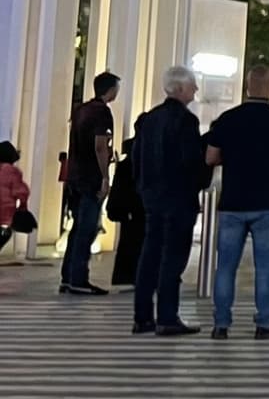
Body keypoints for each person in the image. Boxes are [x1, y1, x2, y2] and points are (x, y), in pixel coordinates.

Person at [204, 65, 269, 340]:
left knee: (225, 265)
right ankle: (264, 322)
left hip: (232, 201)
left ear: (247, 87)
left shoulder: (228, 119)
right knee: (265, 266)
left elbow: (211, 158)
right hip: (268, 202)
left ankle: (221, 324)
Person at [131, 65, 208, 336]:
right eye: (192, 85)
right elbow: (191, 162)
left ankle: (142, 317)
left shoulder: (148, 119)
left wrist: (143, 189)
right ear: (180, 88)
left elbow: (136, 160)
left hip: (153, 197)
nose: (196, 90)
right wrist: (201, 181)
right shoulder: (186, 121)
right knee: (173, 259)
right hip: (178, 198)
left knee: (150, 255)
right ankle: (167, 316)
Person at [61, 71, 120, 296]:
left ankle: (68, 277)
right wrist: (105, 177)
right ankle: (79, 278)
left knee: (77, 229)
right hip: (90, 177)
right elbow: (100, 146)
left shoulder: (81, 110)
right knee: (87, 228)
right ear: (111, 89)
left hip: (75, 176)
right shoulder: (102, 113)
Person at [106, 139, 144, 288]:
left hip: (128, 210)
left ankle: (125, 275)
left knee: (128, 240)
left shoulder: (126, 164)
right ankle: (133, 275)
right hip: (137, 207)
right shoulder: (141, 163)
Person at [0, 140, 28, 259]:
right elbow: (22, 192)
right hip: (4, 212)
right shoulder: (13, 172)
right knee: (5, 234)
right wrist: (23, 206)